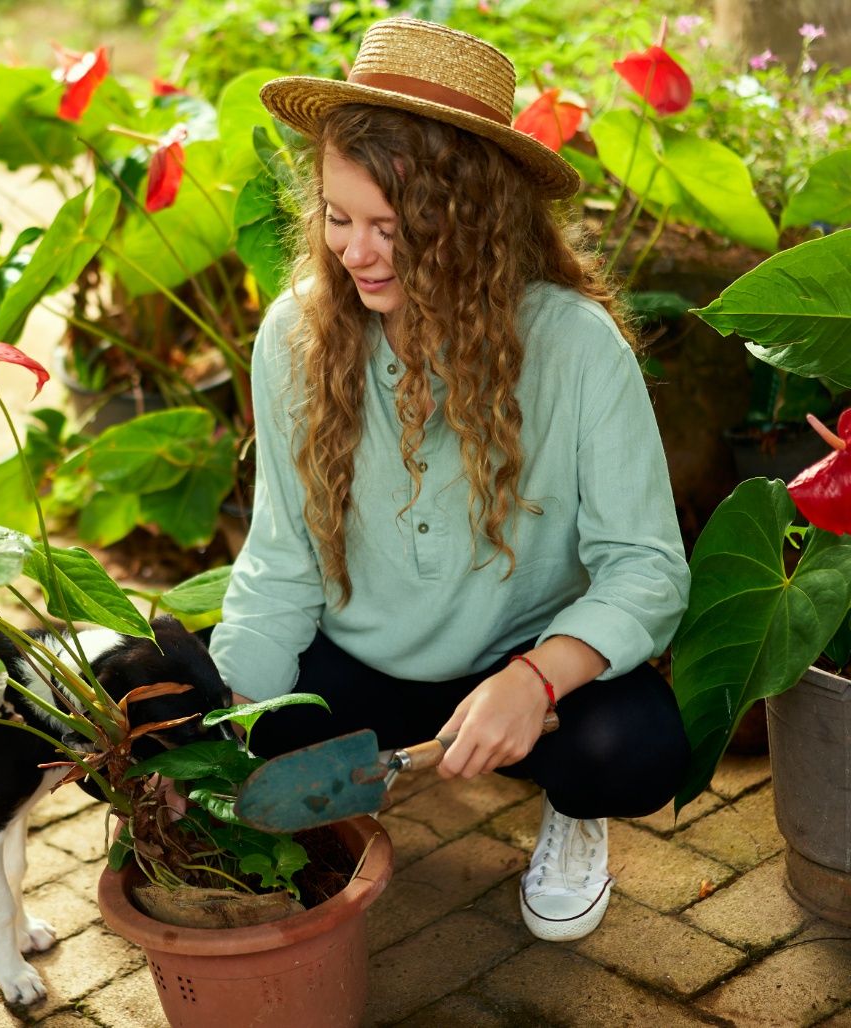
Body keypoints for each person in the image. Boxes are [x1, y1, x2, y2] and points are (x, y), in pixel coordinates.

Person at [207, 17, 692, 943]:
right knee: (224, 714)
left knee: (632, 753)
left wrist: (540, 679)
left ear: (473, 221)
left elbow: (647, 568)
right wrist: (227, 729)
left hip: (525, 663)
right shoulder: (298, 336)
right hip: (367, 662)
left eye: (393, 228)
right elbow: (280, 561)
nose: (355, 254)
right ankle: (380, 772)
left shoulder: (574, 345)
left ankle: (566, 805)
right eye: (339, 219)